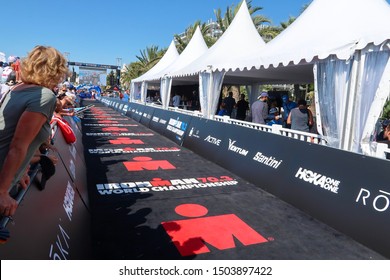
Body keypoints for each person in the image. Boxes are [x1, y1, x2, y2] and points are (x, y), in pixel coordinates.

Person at [0, 45, 68, 217]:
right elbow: (18, 145)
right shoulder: (45, 95)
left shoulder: (15, 89)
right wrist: (2, 191)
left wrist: (21, 169)